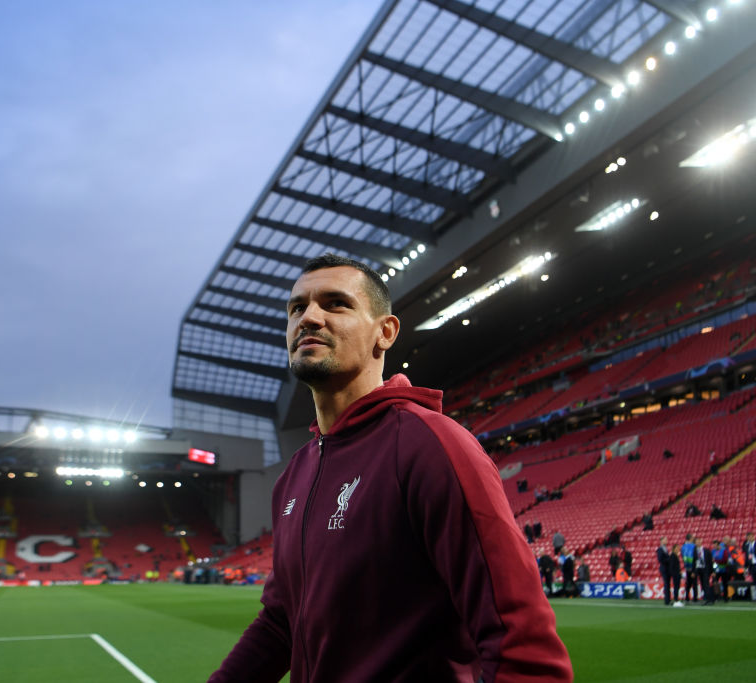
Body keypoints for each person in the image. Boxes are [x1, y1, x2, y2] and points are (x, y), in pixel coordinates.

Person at [210, 254, 571, 682]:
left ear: (386, 332)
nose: (309, 317)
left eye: (335, 304)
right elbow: (281, 621)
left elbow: (523, 646)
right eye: (297, 307)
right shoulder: (293, 477)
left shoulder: (431, 446)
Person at [656, 537, 672, 605]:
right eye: (665, 540)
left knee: (668, 584)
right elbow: (660, 560)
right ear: (661, 541)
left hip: (667, 568)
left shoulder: (665, 549)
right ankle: (667, 600)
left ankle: (668, 599)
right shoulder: (660, 549)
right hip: (664, 568)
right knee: (666, 584)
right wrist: (669, 558)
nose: (666, 541)